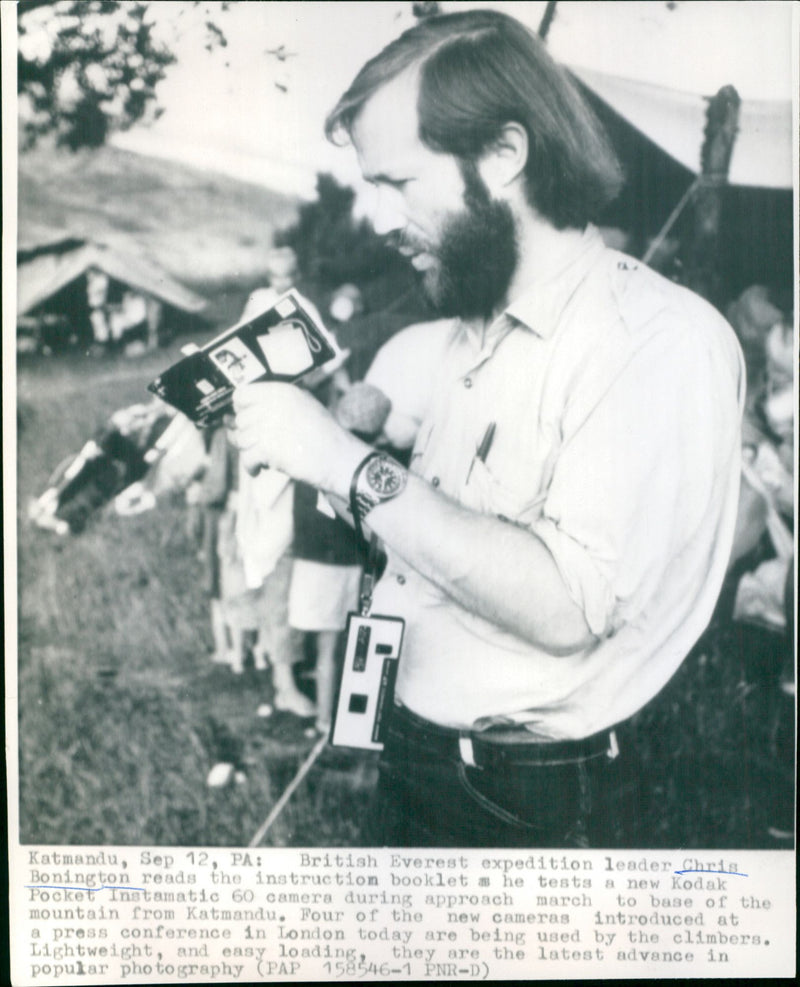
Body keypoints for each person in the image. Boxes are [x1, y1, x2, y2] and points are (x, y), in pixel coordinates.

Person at [230, 9, 745, 847]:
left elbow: (566, 607)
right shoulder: (474, 326)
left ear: (505, 154)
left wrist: (342, 462)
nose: (383, 219)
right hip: (420, 756)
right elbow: (439, 545)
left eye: (398, 182)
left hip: (531, 799)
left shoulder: (656, 339)